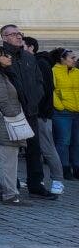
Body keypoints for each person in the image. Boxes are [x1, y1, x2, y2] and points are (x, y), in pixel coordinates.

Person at [0, 24, 54, 200]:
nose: (18, 37)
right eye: (12, 34)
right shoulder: (0, 58)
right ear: (4, 38)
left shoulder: (30, 58)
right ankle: (10, 184)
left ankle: (36, 184)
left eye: (19, 33)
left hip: (30, 110)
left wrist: (35, 99)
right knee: (10, 149)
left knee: (34, 149)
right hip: (10, 111)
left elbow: (39, 82)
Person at [0, 46, 30, 205]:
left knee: (3, 158)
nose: (9, 57)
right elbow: (2, 100)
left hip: (1, 121)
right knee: (7, 160)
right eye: (4, 55)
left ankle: (2, 191)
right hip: (4, 121)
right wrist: (16, 117)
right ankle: (10, 194)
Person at [24, 37, 64, 196]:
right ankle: (36, 179)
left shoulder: (40, 63)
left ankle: (57, 179)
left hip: (40, 114)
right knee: (33, 149)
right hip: (32, 113)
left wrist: (42, 110)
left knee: (47, 148)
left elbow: (46, 90)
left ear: (31, 47)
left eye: (24, 45)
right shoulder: (31, 62)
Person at [51, 49, 79, 184]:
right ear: (62, 59)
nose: (75, 60)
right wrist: (60, 106)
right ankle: (64, 168)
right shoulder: (54, 71)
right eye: (72, 57)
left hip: (77, 112)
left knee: (76, 142)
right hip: (62, 113)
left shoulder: (77, 72)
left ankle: (77, 168)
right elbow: (52, 91)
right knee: (64, 142)